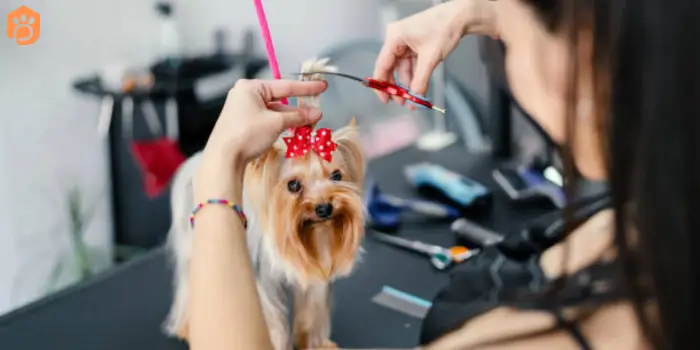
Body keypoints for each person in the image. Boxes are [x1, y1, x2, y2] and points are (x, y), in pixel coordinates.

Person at [186, 0, 699, 349]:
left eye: (506, 41)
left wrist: (216, 175)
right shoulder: (654, 224)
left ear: (584, 54)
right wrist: (484, 13)